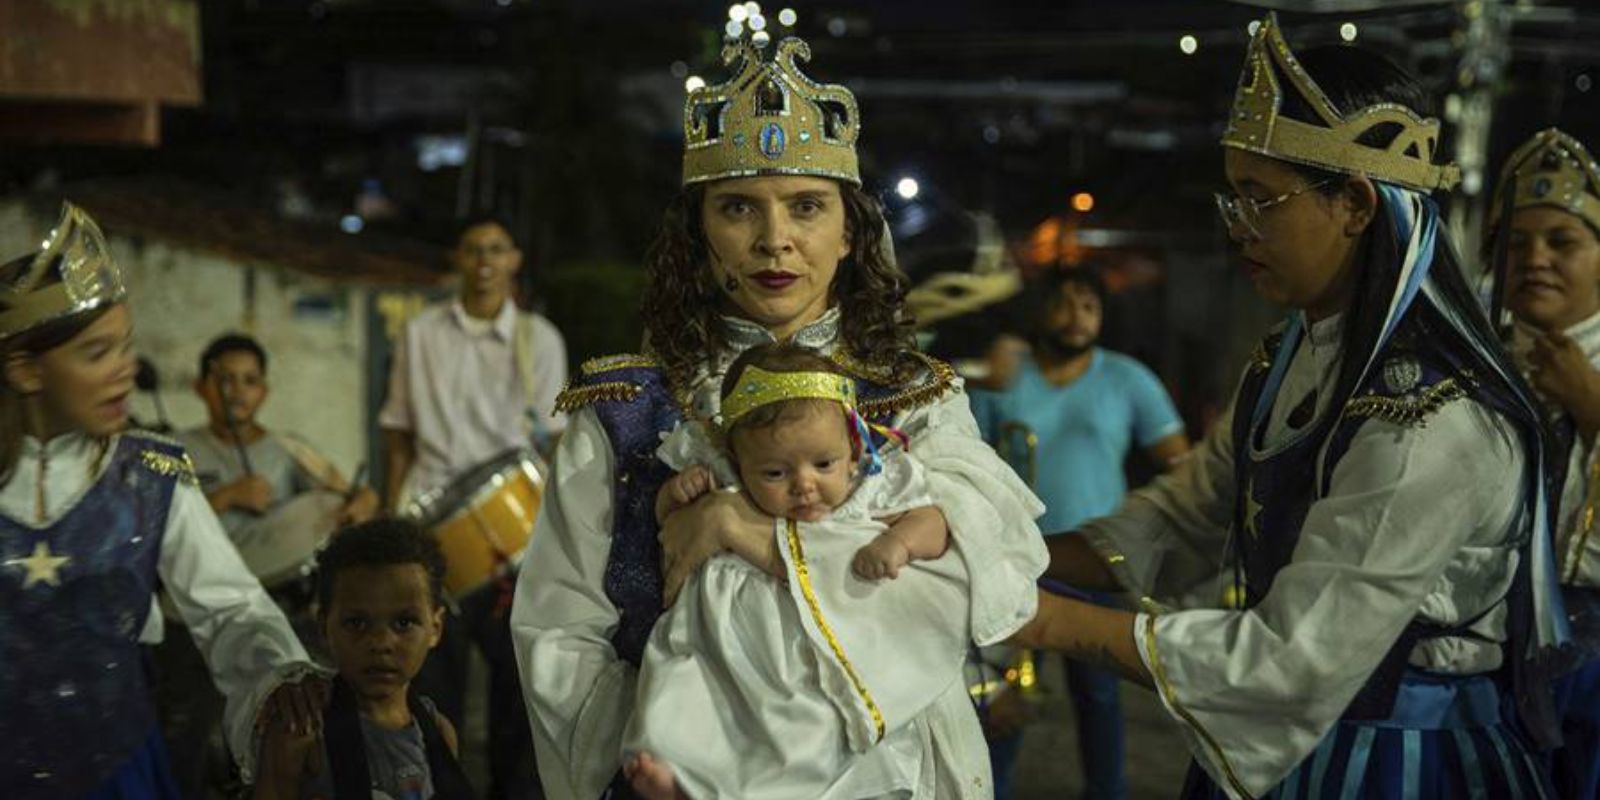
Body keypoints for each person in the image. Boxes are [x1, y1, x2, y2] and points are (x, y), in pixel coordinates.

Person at [1011, 15, 1569, 799]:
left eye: (1262, 200)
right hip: (1288, 747)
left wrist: (1034, 616)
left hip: (1400, 764)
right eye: (1233, 199)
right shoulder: (1286, 360)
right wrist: (995, 556)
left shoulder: (1434, 419)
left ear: (1356, 205)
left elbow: (1291, 658)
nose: (1239, 229)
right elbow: (1180, 521)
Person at [512, 26, 1047, 800]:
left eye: (806, 207)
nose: (775, 242)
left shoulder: (915, 397)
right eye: (738, 208)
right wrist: (654, 755)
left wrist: (746, 529)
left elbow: (977, 579)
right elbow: (559, 630)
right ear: (698, 233)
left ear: (849, 232)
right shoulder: (627, 411)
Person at [0, 202, 327, 798]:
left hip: (119, 775)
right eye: (97, 353)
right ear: (26, 371)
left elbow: (231, 609)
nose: (124, 370)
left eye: (126, 347)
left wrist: (279, 675)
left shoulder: (151, 476)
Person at [625, 343, 967, 800]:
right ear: (738, 462)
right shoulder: (723, 479)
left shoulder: (871, 486)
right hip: (726, 634)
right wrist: (675, 495)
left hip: (807, 642)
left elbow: (934, 523)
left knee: (806, 719)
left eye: (823, 464)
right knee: (685, 686)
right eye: (774, 473)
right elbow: (669, 527)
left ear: (854, 447)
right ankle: (684, 774)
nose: (804, 484)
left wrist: (900, 543)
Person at [968, 267, 1190, 800]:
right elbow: (967, 462)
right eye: (1063, 304)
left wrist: (1151, 529)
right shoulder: (1004, 376)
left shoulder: (1127, 378)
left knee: (1100, 696)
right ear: (1040, 311)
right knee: (1003, 694)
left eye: (1089, 306)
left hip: (1097, 560)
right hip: (1015, 561)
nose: (1076, 317)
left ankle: (1105, 792)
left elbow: (1181, 465)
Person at [379, 213, 566, 800]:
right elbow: (398, 432)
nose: (485, 261)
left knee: (520, 693)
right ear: (457, 260)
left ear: (514, 260)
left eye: (497, 249)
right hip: (431, 532)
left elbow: (553, 441)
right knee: (434, 691)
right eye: (473, 249)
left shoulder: (540, 338)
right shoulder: (420, 334)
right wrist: (390, 517)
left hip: (516, 532)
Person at [156, 333, 378, 798]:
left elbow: (353, 494)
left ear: (265, 391)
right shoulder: (172, 452)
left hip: (276, 608)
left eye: (249, 381)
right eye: (225, 379)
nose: (237, 391)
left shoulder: (287, 450)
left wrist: (360, 503)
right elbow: (154, 525)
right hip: (191, 618)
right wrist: (227, 496)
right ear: (200, 387)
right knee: (186, 740)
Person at [1491, 127, 1600, 799]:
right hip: (1490, 652)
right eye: (1516, 243)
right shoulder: (1469, 358)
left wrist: (1594, 408)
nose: (1535, 260)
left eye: (1563, 242)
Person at [254, 518, 474, 800]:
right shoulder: (301, 735)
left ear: (435, 628)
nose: (381, 643)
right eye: (357, 623)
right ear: (324, 627)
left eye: (404, 623)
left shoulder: (438, 732)